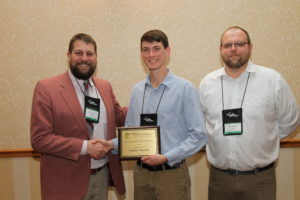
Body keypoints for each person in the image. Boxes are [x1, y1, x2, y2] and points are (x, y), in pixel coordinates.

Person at [199, 26, 300, 200]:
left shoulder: (272, 80)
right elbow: (201, 123)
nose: (233, 49)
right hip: (219, 180)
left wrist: (267, 137)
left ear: (250, 47)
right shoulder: (207, 83)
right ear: (220, 50)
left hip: (260, 180)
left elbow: (291, 118)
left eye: (239, 43)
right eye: (227, 45)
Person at [108, 29, 208, 200]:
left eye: (156, 48)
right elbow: (130, 133)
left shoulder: (185, 89)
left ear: (167, 51)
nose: (151, 54)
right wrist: (109, 144)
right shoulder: (137, 90)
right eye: (145, 49)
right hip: (141, 174)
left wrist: (167, 157)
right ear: (141, 53)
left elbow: (199, 136)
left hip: (171, 175)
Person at [30, 33, 127, 200]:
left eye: (89, 54)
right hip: (65, 182)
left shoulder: (104, 86)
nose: (84, 58)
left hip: (101, 176)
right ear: (68, 56)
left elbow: (119, 116)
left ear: (96, 57)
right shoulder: (47, 88)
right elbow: (39, 139)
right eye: (78, 53)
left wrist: (147, 104)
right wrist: (85, 147)